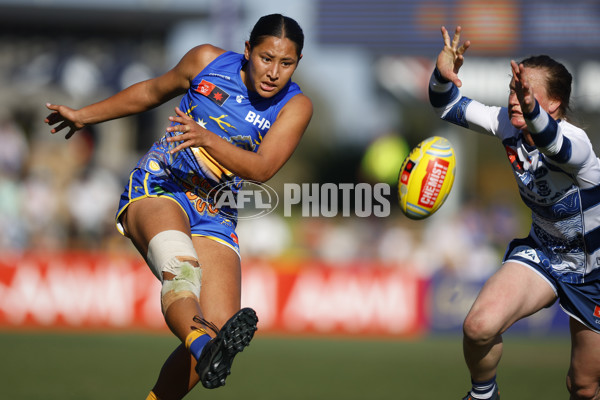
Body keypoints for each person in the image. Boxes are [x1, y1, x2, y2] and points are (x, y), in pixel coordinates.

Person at [45, 13, 313, 400]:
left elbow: (263, 168)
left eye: (286, 63)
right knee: (181, 271)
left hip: (215, 212)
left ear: (297, 64)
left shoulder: (296, 106)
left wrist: (207, 138)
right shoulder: (205, 60)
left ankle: (201, 351)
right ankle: (203, 348)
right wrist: (84, 116)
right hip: (160, 186)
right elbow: (151, 92)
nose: (273, 72)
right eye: (265, 58)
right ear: (247, 51)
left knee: (219, 324)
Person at [429, 26, 600, 400]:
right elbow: (447, 105)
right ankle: (484, 394)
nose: (513, 98)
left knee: (584, 387)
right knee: (478, 327)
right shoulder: (508, 125)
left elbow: (552, 143)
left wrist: (531, 108)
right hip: (544, 254)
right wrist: (443, 74)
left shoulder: (577, 144)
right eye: (512, 88)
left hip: (595, 270)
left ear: (553, 104)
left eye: (524, 91)